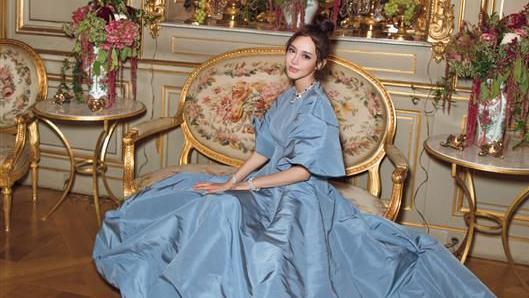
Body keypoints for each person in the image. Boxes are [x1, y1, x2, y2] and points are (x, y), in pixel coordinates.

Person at [93, 19, 494, 297]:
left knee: (231, 216)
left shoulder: (317, 107)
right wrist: (232, 179)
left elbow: (303, 172)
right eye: (291, 51)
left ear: (319, 64)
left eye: (304, 56)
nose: (293, 61)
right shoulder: (288, 97)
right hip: (267, 182)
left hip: (299, 195)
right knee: (198, 197)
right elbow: (264, 150)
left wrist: (245, 187)